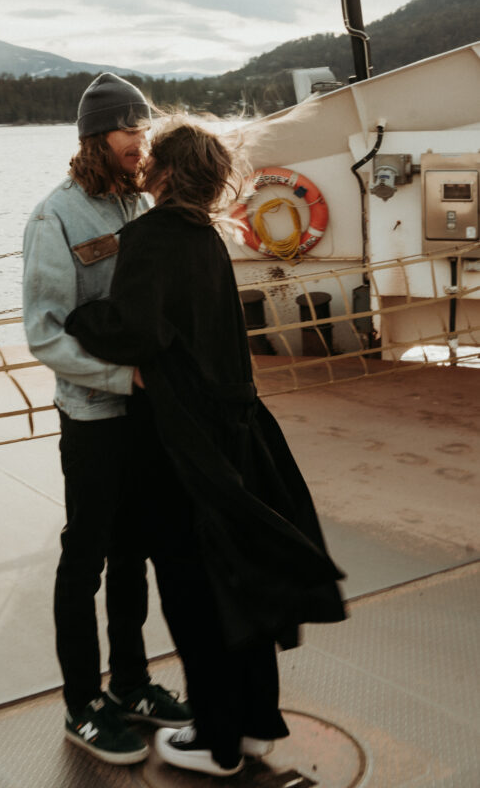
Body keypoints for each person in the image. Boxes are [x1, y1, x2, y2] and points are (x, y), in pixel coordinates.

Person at [66, 118, 346, 777]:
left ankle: (214, 740)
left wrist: (76, 318)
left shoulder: (151, 235)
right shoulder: (206, 238)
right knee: (236, 582)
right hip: (237, 436)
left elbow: (133, 330)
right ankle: (250, 726)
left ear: (160, 174)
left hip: (181, 446)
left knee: (191, 593)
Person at [22, 73, 191, 766]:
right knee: (84, 558)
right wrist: (122, 377)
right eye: (128, 130)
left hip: (146, 412)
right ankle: (81, 704)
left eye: (143, 130)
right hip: (94, 415)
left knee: (135, 551)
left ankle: (130, 684)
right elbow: (45, 334)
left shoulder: (141, 203)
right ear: (96, 136)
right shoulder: (54, 219)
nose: (139, 142)